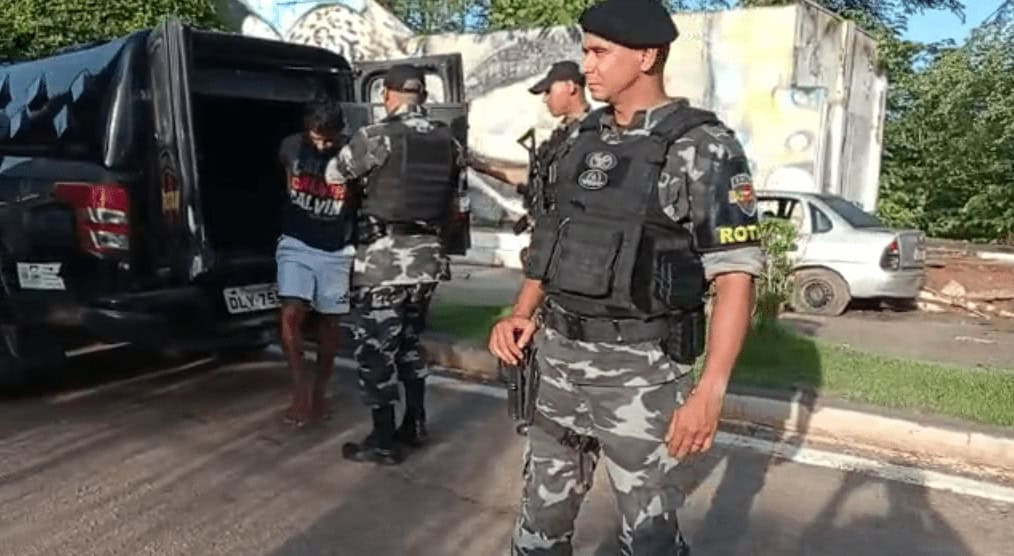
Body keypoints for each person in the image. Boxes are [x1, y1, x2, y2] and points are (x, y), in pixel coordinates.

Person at [487, 0, 765, 553]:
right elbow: (552, 238)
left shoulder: (702, 147)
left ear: (646, 55)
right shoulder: (580, 140)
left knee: (649, 536)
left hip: (640, 377)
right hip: (557, 363)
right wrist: (520, 313)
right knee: (538, 527)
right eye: (585, 52)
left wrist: (710, 390)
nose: (586, 66)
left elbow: (736, 274)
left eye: (599, 52)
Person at [325, 64, 467, 466]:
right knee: (409, 343)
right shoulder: (449, 140)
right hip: (427, 261)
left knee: (376, 349)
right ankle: (415, 424)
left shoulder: (376, 136)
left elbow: (334, 173)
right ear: (423, 96)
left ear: (386, 94)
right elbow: (456, 201)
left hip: (385, 261)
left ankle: (383, 439)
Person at [276, 98, 357, 427]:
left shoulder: (353, 153)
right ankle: (300, 391)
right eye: (317, 138)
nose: (323, 145)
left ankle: (320, 392)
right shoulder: (291, 148)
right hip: (296, 242)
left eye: (330, 139)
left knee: (330, 322)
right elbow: (288, 186)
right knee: (291, 313)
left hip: (337, 248)